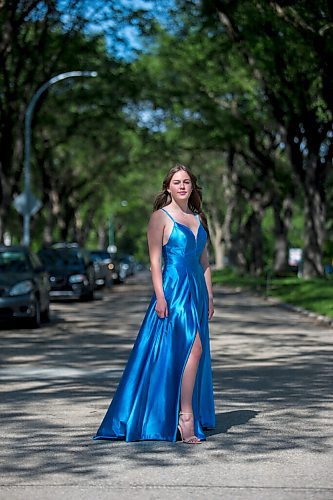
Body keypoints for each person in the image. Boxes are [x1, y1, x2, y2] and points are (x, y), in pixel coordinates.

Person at [93, 164, 215, 444]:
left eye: (186, 182)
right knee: (192, 349)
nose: (182, 186)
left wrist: (209, 294)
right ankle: (185, 417)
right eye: (176, 182)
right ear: (168, 187)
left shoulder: (198, 218)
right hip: (173, 290)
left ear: (193, 186)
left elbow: (204, 262)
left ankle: (181, 412)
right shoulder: (159, 218)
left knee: (189, 352)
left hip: (196, 291)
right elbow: (154, 263)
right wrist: (160, 296)